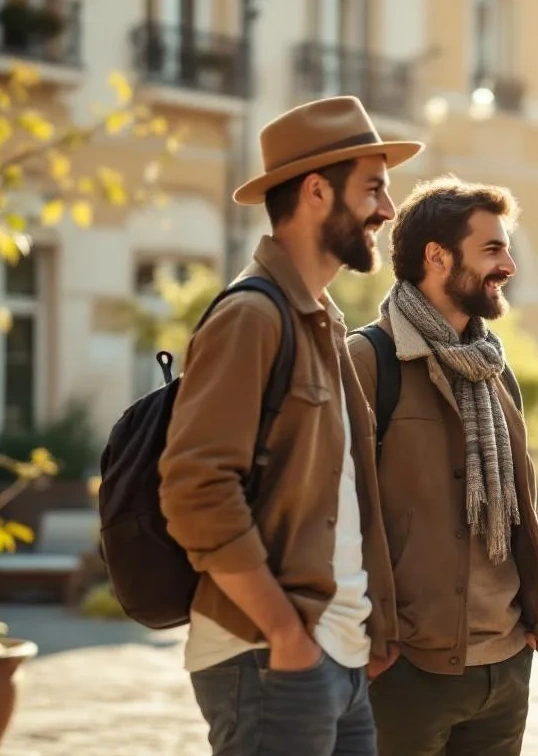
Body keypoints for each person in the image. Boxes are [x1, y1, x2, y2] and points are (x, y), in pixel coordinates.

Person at [157, 96, 421, 755]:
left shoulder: (324, 323)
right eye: (373, 189)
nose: (386, 211)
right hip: (269, 658)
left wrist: (368, 629)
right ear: (314, 191)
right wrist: (285, 634)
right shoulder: (252, 316)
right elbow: (195, 489)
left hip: (342, 656)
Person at [348, 176, 538, 756]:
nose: (508, 264)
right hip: (405, 668)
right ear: (436, 257)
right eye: (492, 249)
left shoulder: (492, 369)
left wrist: (527, 624)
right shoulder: (369, 362)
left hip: (505, 665)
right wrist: (373, 641)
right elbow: (335, 514)